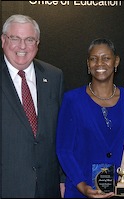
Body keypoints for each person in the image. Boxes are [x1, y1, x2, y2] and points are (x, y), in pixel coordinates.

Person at [56, 38, 124, 198]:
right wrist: (82, 185)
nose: (99, 63)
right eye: (93, 59)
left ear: (116, 61)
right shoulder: (72, 100)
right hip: (81, 191)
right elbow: (64, 150)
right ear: (88, 64)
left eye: (106, 58)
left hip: (121, 192)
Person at [1, 14, 65, 198]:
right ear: (3, 40)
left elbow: (59, 133)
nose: (22, 46)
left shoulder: (54, 76)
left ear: (37, 43)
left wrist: (62, 178)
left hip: (47, 187)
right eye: (15, 38)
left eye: (29, 39)